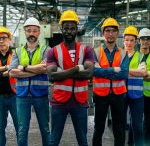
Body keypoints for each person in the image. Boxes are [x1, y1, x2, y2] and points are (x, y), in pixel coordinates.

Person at [47, 10, 94, 146]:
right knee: (54, 140)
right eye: (66, 28)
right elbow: (51, 76)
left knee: (83, 141)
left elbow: (89, 73)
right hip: (59, 102)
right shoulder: (53, 51)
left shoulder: (86, 50)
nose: (69, 31)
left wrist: (61, 72)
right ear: (61, 29)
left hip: (80, 102)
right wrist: (76, 68)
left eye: (72, 28)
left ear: (76, 30)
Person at [9, 17, 50, 146]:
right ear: (24, 32)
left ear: (39, 32)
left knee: (45, 129)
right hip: (22, 96)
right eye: (28, 30)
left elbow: (46, 69)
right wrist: (37, 69)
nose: (31, 33)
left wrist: (24, 68)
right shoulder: (18, 51)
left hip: (41, 95)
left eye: (34, 31)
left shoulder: (46, 50)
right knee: (22, 130)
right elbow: (11, 72)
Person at [92, 17, 129, 146]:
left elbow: (124, 73)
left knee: (119, 128)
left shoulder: (124, 53)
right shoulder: (95, 52)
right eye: (108, 30)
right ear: (103, 33)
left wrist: (104, 71)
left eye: (113, 30)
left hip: (118, 95)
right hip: (100, 95)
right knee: (99, 128)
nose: (111, 33)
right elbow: (94, 72)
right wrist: (114, 70)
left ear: (117, 33)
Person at [123, 26, 147, 146]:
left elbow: (143, 73)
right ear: (123, 40)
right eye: (127, 39)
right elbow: (112, 72)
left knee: (137, 126)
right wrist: (135, 71)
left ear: (136, 42)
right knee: (121, 126)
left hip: (137, 97)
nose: (129, 43)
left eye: (132, 40)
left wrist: (123, 71)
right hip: (121, 94)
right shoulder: (119, 55)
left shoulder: (141, 56)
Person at [0, 26, 18, 146]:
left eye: (4, 38)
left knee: (19, 127)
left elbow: (19, 68)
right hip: (0, 97)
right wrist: (7, 67)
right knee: (0, 128)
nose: (1, 41)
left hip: (15, 96)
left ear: (9, 39)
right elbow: (13, 68)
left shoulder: (16, 53)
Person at [139, 28, 150, 146]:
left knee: (147, 123)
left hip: (149, 96)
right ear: (139, 41)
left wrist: (139, 74)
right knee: (136, 122)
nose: (145, 41)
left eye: (148, 39)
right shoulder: (136, 56)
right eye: (143, 39)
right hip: (137, 95)